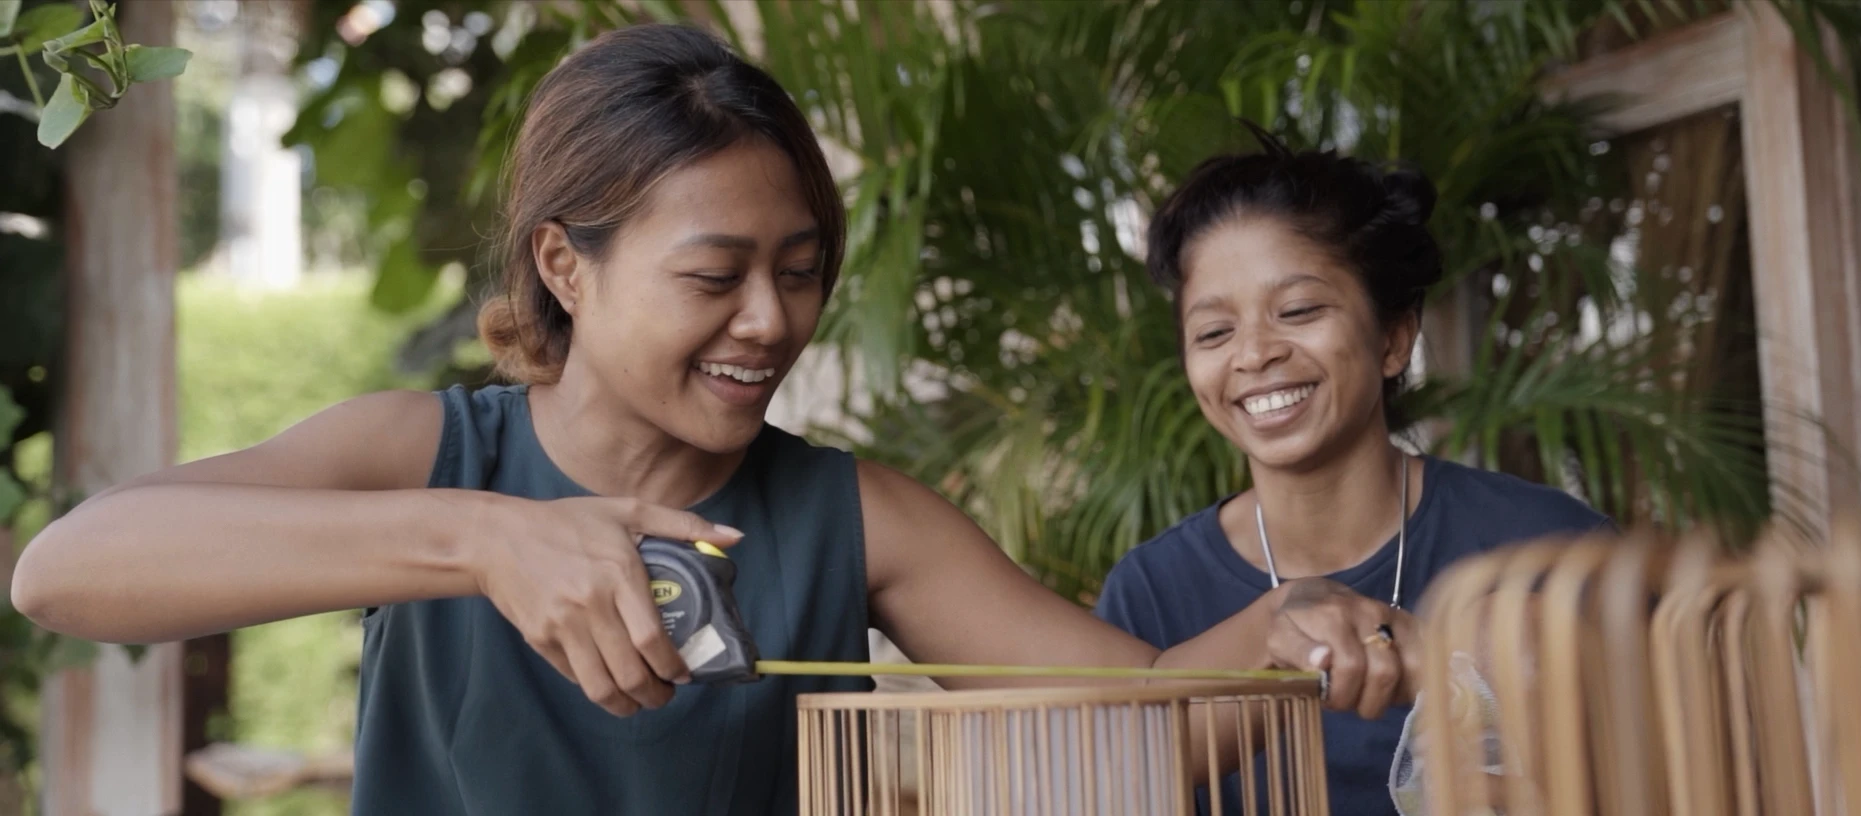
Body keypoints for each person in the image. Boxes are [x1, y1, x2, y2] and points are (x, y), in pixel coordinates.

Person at [11, 24, 1410, 815]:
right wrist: (486, 541)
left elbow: (1139, 733)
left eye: (799, 272)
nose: (768, 321)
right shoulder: (431, 455)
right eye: (713, 276)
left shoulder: (855, 516)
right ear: (566, 266)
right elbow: (68, 571)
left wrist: (1279, 631)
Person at [1092, 126, 1616, 816]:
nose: (1253, 354)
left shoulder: (1552, 547)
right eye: (1214, 332)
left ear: (1393, 338)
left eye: (1298, 311)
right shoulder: (1150, 594)